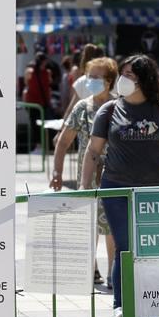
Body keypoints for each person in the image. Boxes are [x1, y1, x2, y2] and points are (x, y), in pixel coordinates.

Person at [81, 55, 159, 317]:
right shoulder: (109, 110)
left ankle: (156, 304)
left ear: (144, 79)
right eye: (123, 73)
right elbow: (93, 151)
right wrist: (84, 187)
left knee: (154, 248)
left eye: (130, 74)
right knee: (125, 246)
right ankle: (121, 305)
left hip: (156, 191)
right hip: (116, 187)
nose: (124, 79)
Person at [50, 56, 119, 285]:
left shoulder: (118, 107)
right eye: (89, 76)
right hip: (86, 177)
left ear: (109, 81)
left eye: (96, 77)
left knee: (110, 225)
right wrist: (57, 173)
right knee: (88, 225)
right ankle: (91, 271)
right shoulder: (82, 107)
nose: (91, 81)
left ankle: (112, 273)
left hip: (113, 175)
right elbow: (63, 141)